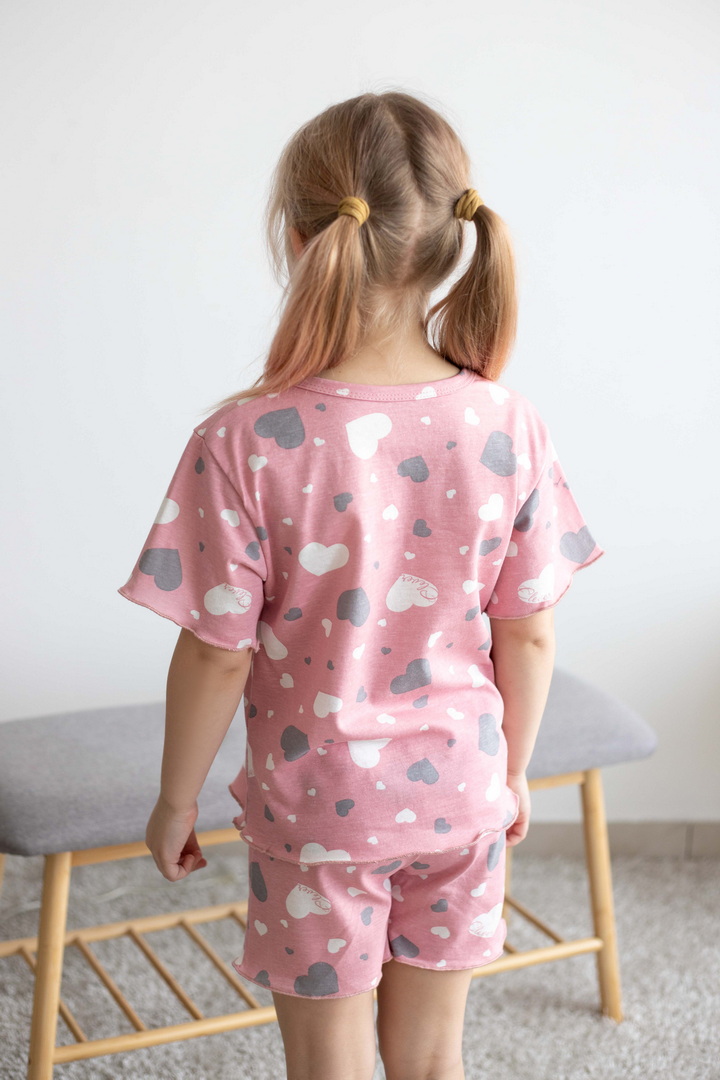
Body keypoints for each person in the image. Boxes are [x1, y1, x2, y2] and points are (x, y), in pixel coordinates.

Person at [117, 90, 606, 1080]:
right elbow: (529, 632)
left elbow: (216, 652)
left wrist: (175, 800)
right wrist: (511, 772)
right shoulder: (508, 423)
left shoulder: (245, 440)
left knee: (327, 1064)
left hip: (318, 812)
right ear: (452, 240)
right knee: (431, 1060)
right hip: (463, 792)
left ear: (301, 239)